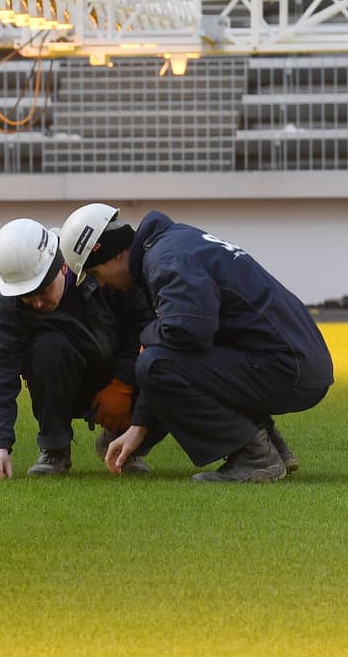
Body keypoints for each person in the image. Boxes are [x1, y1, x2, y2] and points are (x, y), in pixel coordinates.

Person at [58, 204, 333, 482]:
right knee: (161, 356)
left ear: (114, 254)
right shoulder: (176, 242)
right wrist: (139, 427)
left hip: (290, 368)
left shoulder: (167, 261)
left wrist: (148, 335)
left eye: (94, 274)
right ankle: (269, 443)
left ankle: (255, 455)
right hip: (298, 360)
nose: (101, 285)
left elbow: (190, 331)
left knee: (156, 363)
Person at [0, 217, 153, 479]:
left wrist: (124, 384)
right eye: (28, 296)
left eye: (43, 291)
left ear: (61, 268)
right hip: (59, 375)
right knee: (48, 348)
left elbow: (142, 326)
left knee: (157, 357)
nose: (36, 303)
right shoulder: (7, 303)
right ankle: (54, 448)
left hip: (116, 367)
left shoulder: (102, 269)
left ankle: (123, 441)